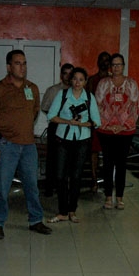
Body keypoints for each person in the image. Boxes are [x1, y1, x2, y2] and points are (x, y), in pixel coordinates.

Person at [0, 49, 52, 239]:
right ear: (9, 66)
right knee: (1, 187)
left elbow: (34, 111)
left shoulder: (32, 88)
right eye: (17, 63)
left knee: (32, 185)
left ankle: (35, 220)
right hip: (7, 145)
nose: (22, 67)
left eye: (24, 63)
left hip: (29, 145)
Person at [46, 67, 100, 223]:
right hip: (63, 138)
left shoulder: (89, 98)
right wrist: (68, 121)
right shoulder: (62, 95)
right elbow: (51, 116)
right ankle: (62, 211)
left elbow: (97, 121)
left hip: (82, 140)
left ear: (85, 82)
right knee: (60, 175)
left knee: (76, 177)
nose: (77, 82)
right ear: (70, 80)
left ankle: (72, 210)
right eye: (75, 79)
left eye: (81, 79)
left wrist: (86, 123)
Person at [96, 53, 139, 210]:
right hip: (106, 130)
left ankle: (120, 198)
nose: (116, 67)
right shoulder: (103, 83)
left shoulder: (131, 83)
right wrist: (108, 125)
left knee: (121, 164)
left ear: (123, 66)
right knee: (107, 163)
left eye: (119, 64)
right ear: (110, 67)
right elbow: (98, 106)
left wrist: (123, 126)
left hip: (126, 131)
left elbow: (135, 107)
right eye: (113, 65)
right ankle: (108, 197)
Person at [41, 63, 73, 197]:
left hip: (72, 127)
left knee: (70, 158)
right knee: (53, 158)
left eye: (70, 74)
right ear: (61, 75)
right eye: (65, 73)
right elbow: (44, 107)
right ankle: (49, 187)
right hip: (56, 125)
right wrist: (58, 114)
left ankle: (66, 188)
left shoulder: (77, 91)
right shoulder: (53, 90)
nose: (67, 77)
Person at [87, 52, 112, 193]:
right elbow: (88, 100)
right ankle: (94, 178)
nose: (104, 63)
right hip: (96, 121)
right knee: (94, 151)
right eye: (101, 60)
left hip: (111, 122)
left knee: (109, 152)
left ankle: (108, 179)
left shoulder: (113, 80)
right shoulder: (92, 80)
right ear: (98, 62)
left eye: (107, 60)